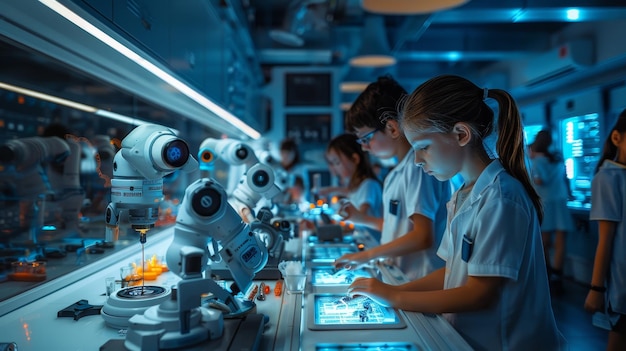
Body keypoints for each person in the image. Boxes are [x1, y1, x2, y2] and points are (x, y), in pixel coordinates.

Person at [346, 75, 566, 350]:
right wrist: (393, 291)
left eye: (423, 148)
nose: (416, 160)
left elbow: (479, 295)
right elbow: (451, 272)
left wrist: (395, 297)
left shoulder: (501, 197)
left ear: (461, 134)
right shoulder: (464, 194)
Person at [333, 75, 450, 281]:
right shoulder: (397, 173)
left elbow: (422, 236)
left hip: (419, 281)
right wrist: (362, 219)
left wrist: (366, 255)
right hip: (399, 277)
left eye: (365, 138)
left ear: (392, 128)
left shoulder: (419, 168)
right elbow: (398, 228)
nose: (364, 147)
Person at [584, 109, 626, 351]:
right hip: (622, 285)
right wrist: (596, 288)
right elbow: (605, 240)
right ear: (617, 138)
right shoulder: (608, 178)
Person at [529, 130, 574, 295]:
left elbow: (540, 180)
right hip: (561, 201)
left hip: (545, 203)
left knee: (544, 243)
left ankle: (547, 275)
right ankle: (557, 274)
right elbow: (565, 179)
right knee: (561, 240)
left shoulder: (536, 162)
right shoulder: (558, 158)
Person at [320, 133, 383, 242]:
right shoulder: (358, 186)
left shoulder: (368, 185)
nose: (335, 169)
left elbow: (361, 215)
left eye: (337, 162)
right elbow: (350, 192)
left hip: (373, 245)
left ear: (354, 159)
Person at [278, 138, 309, 206]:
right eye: (283, 153)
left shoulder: (300, 169)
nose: (286, 156)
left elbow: (302, 191)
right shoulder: (277, 169)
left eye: (288, 153)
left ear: (295, 153)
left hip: (298, 204)